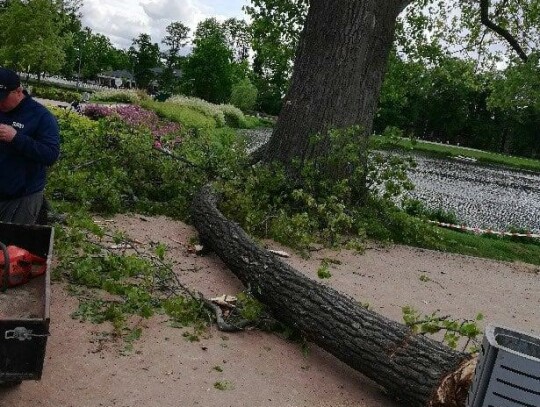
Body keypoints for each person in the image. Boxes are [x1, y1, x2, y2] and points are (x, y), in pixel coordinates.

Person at [0, 67, 60, 225]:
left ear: (18, 91)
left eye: (2, 98)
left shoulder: (41, 117)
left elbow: (50, 155)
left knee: (13, 247)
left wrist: (16, 138)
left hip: (21, 198)